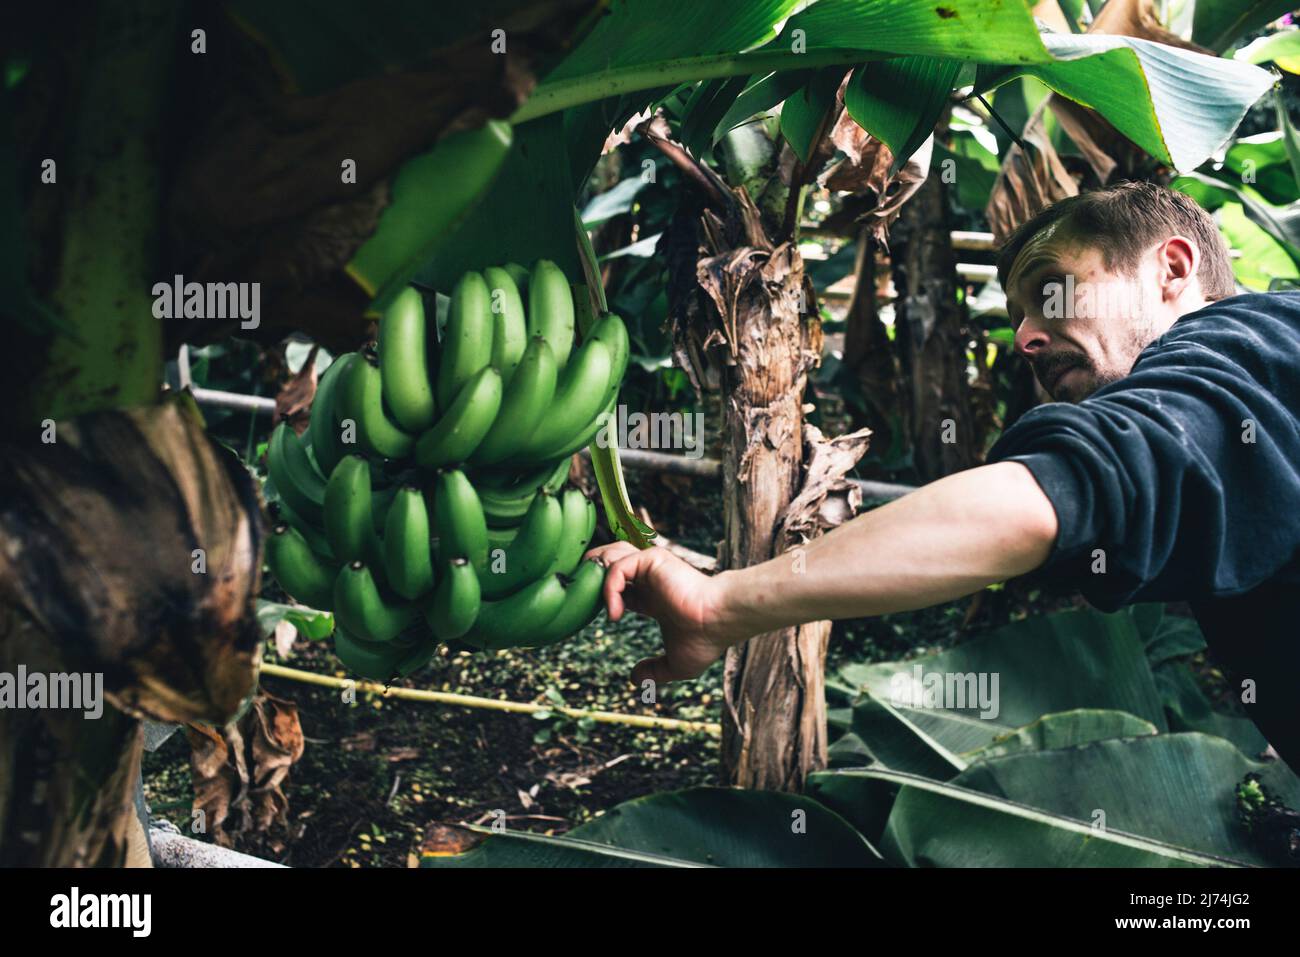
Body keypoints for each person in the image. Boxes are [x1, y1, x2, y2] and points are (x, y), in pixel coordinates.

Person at [586, 182, 1300, 774]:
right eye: (1018, 316)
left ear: (1172, 271)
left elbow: (1052, 495)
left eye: (1051, 293)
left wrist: (717, 603)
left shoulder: (1239, 348)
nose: (1024, 337)